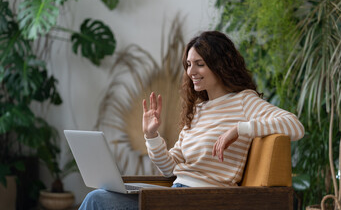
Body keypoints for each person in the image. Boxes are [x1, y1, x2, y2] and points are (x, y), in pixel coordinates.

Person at [79, 31, 305, 209]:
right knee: (101, 196)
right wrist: (152, 136)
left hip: (201, 200)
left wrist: (239, 129)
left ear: (220, 64)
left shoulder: (243, 101)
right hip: (176, 194)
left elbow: (294, 125)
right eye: (188, 64)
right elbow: (170, 168)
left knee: (97, 200)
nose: (191, 71)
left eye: (199, 64)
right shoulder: (198, 110)